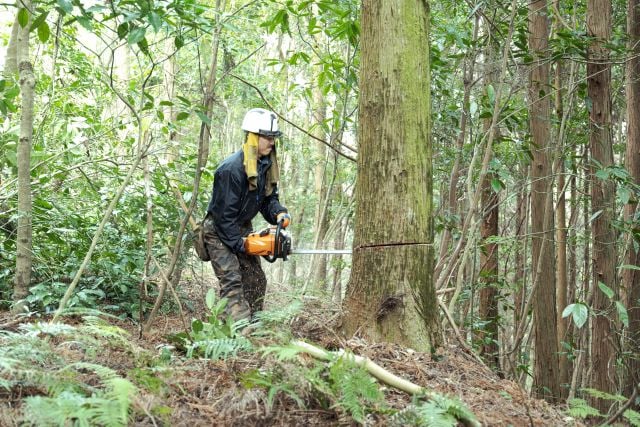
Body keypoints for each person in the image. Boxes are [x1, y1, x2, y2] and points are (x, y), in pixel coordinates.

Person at [203, 108, 291, 322]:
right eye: (268, 137)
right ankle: (237, 332)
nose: (272, 143)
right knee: (233, 281)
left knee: (256, 280)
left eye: (273, 138)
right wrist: (241, 245)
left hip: (241, 228)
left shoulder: (264, 166)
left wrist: (278, 213)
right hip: (218, 231)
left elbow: (268, 199)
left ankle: (255, 325)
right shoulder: (231, 170)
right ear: (253, 137)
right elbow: (223, 218)